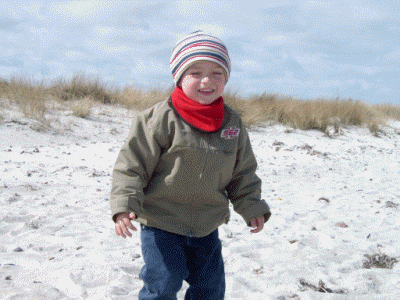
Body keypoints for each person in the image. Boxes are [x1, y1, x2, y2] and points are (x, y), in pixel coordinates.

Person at [110, 30, 271, 300]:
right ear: (179, 76)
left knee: (210, 288)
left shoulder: (231, 123)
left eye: (216, 73)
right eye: (195, 72)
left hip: (206, 223)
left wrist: (251, 206)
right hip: (162, 221)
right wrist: (124, 206)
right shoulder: (159, 118)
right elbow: (132, 166)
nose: (206, 80)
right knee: (163, 283)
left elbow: (242, 173)